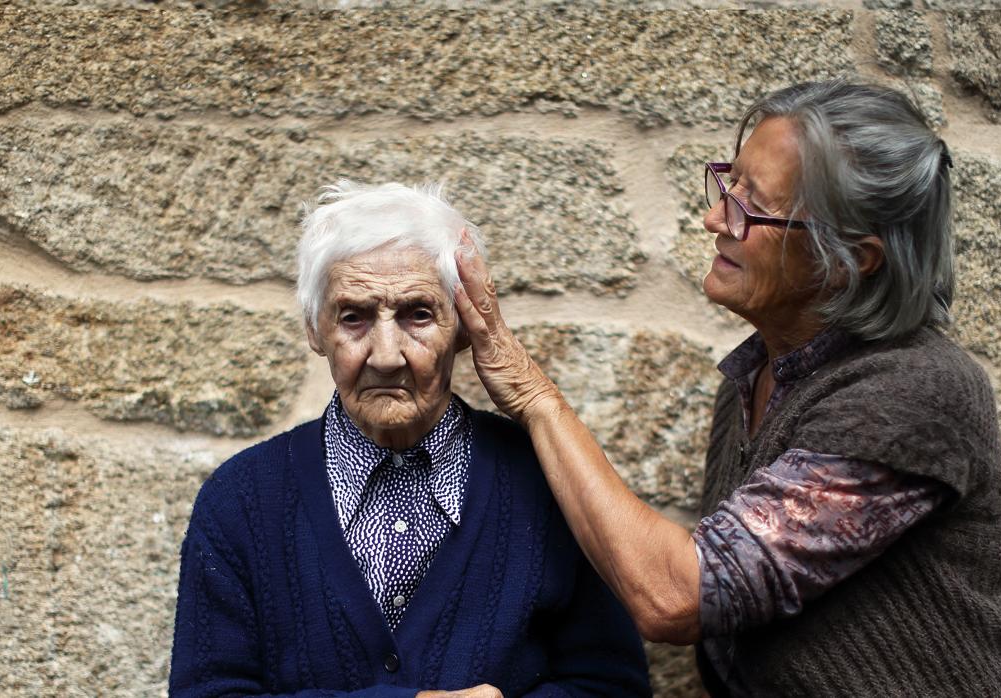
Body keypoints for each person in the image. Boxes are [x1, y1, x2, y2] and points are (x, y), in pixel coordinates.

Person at [453, 80, 1001, 697]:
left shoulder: (912, 391)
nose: (716, 218)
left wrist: (533, 397)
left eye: (751, 205)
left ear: (850, 257)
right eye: (728, 184)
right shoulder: (756, 378)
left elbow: (676, 597)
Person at [169, 181, 650, 698]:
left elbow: (612, 687)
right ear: (314, 329)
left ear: (465, 327)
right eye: (353, 317)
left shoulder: (549, 481)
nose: (386, 355)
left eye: (417, 314)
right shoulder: (241, 499)